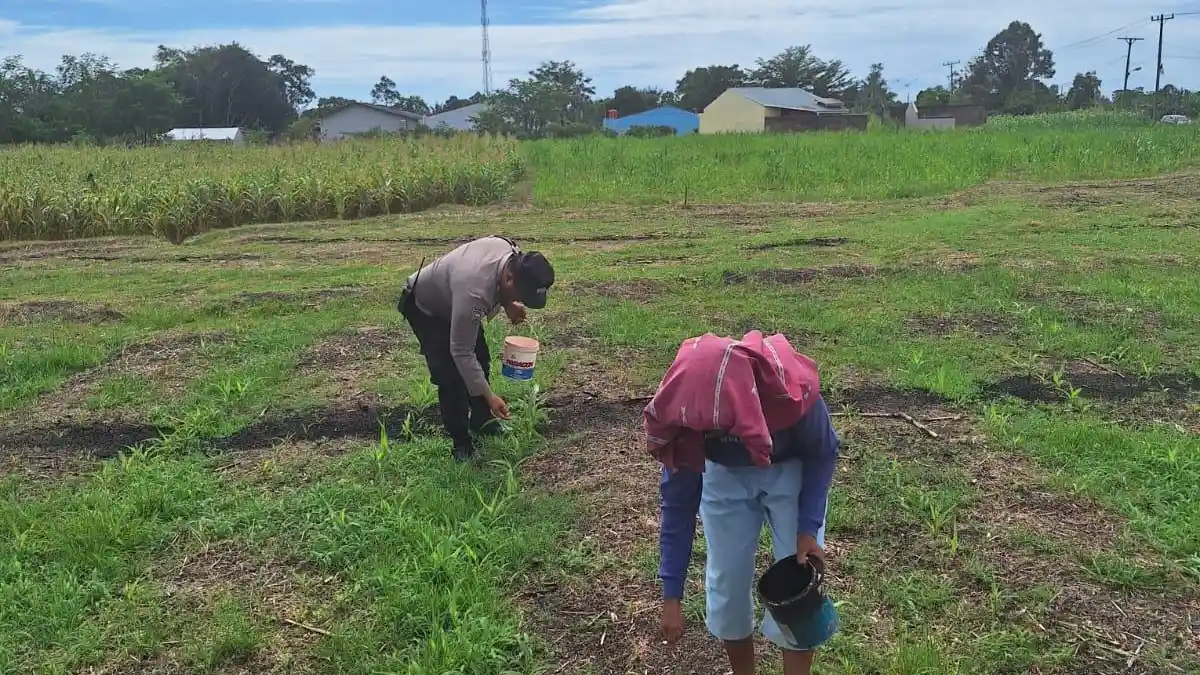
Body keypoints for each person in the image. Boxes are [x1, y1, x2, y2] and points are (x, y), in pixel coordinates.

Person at [645, 331, 840, 675]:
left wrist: (808, 527)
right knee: (728, 580)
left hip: (788, 466)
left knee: (799, 576)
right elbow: (678, 505)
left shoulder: (786, 390)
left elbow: (822, 451)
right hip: (726, 474)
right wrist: (671, 596)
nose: (713, 432)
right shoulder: (688, 413)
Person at [398, 235, 554, 462]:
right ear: (510, 279)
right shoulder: (474, 291)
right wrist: (491, 397)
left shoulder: (510, 252)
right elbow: (461, 351)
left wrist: (510, 302)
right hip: (427, 306)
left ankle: (483, 423)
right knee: (451, 377)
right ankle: (461, 444)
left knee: (481, 358)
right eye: (522, 297)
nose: (521, 301)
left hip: (455, 298)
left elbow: (502, 285)